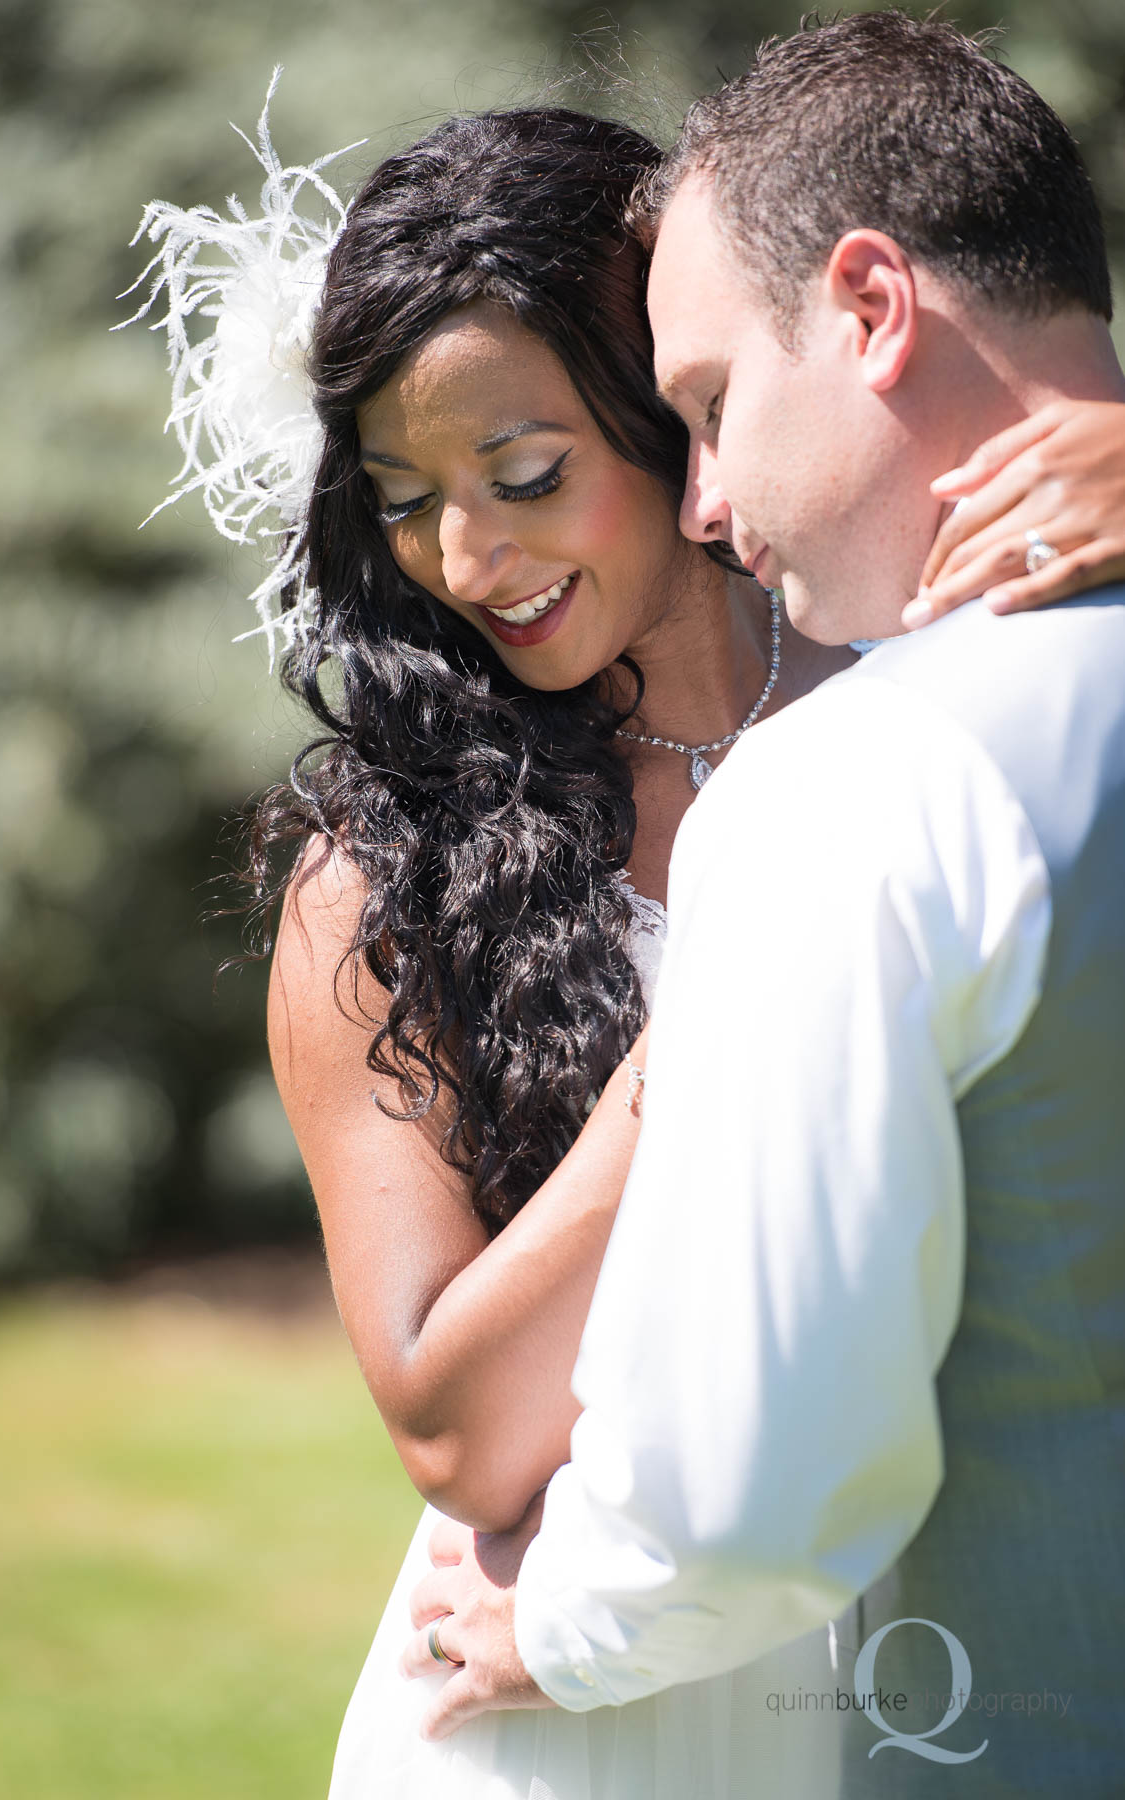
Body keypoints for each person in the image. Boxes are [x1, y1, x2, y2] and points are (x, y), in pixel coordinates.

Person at [127, 68, 1125, 1800]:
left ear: (669, 408)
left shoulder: (924, 700)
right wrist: (746, 1009)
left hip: (952, 1644)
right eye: (402, 495)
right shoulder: (374, 881)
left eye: (523, 469)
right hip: (575, 1701)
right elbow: (453, 1425)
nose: (463, 552)